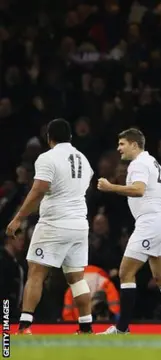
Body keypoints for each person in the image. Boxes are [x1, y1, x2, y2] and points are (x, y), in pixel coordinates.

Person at [7, 119, 94, 335]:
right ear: (70, 137)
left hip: (55, 223)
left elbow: (38, 190)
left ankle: (25, 326)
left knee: (36, 272)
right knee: (76, 278)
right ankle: (85, 327)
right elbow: (86, 185)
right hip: (79, 225)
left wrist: (18, 218)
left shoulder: (47, 158)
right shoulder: (83, 159)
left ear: (49, 137)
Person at [97, 128, 161, 335]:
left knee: (126, 272)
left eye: (122, 144)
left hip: (150, 223)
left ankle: (122, 328)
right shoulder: (152, 161)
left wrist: (111, 187)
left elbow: (138, 190)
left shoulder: (139, 163)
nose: (119, 148)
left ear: (134, 145)